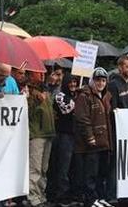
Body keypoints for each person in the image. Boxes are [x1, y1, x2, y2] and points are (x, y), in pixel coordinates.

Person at [73, 67, 113, 207]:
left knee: (103, 171)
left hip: (105, 141)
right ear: (91, 81)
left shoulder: (106, 96)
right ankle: (90, 200)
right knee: (90, 173)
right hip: (91, 143)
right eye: (97, 80)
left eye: (103, 80)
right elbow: (83, 119)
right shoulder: (84, 96)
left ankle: (100, 197)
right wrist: (90, 138)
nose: (100, 83)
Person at [105, 55, 128, 204]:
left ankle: (127, 192)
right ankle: (112, 194)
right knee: (115, 164)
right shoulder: (113, 85)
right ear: (120, 68)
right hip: (118, 130)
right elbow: (113, 109)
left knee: (127, 162)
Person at [28, 67, 56, 207]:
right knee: (35, 168)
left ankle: (41, 195)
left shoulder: (46, 90)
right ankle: (33, 197)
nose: (42, 75)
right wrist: (36, 99)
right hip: (37, 134)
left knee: (44, 169)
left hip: (48, 132)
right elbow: (29, 113)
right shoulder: (30, 91)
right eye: (38, 72)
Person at [49, 73, 79, 204]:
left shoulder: (75, 96)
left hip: (75, 135)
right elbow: (66, 110)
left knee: (73, 166)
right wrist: (78, 101)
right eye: (70, 82)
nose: (73, 85)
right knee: (63, 166)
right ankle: (61, 194)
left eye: (75, 82)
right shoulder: (60, 96)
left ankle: (70, 192)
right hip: (63, 135)